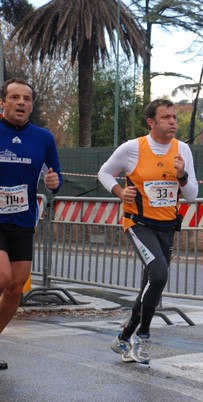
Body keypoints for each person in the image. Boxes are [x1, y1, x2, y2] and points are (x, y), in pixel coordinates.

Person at [98, 98, 198, 364]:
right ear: (151, 122)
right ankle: (142, 336)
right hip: (138, 224)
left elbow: (192, 195)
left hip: (167, 227)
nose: (173, 122)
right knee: (160, 274)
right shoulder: (133, 148)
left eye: (175, 117)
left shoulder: (182, 150)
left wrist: (182, 176)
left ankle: (123, 337)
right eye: (166, 117)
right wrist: (120, 192)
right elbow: (104, 173)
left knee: (151, 283)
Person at [0, 78, 62, 370]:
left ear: (32, 105)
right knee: (1, 277)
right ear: (3, 102)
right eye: (14, 97)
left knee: (15, 289)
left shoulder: (43, 137)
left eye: (26, 98)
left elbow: (55, 176)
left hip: (23, 221)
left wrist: (54, 181)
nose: (21, 102)